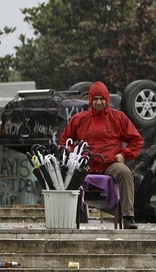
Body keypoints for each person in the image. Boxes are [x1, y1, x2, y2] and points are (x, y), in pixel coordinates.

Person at [59, 81, 144, 229]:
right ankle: (68, 216)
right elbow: (65, 141)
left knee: (125, 173)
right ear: (90, 100)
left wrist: (124, 154)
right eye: (95, 99)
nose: (99, 102)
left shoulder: (119, 117)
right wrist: (74, 155)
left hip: (110, 164)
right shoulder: (79, 119)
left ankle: (128, 216)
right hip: (84, 165)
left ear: (107, 100)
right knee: (66, 174)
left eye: (102, 99)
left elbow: (137, 141)